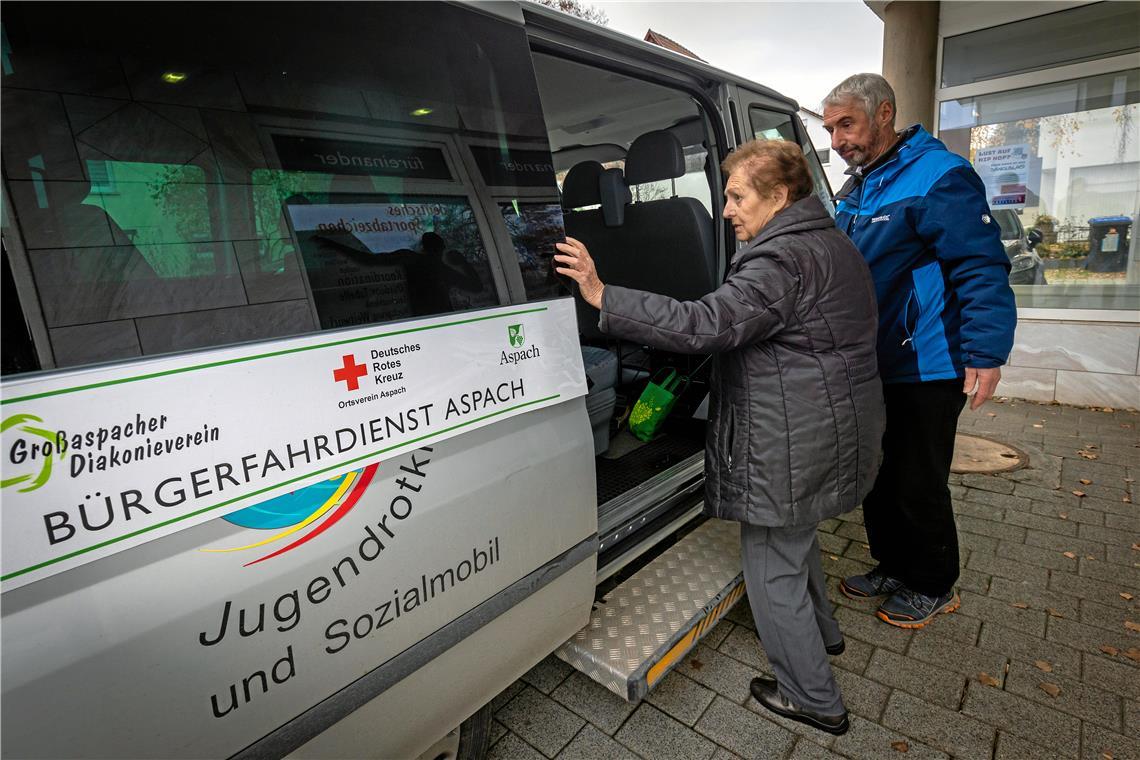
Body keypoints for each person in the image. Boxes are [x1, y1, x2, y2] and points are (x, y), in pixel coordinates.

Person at [554, 139, 883, 735]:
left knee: (770, 564)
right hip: (826, 425)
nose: (725, 209)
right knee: (797, 537)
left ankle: (813, 698)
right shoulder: (830, 243)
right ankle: (824, 639)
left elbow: (707, 323)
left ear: (779, 197)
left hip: (789, 438)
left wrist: (603, 296)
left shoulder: (779, 261)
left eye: (736, 196)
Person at [822, 73, 1017, 629]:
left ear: (883, 113)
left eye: (847, 124)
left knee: (916, 477)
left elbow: (980, 266)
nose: (837, 140)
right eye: (831, 128)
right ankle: (893, 564)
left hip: (927, 361)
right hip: (872, 362)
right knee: (878, 472)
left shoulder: (940, 175)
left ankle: (933, 582)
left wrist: (985, 353)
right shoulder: (860, 186)